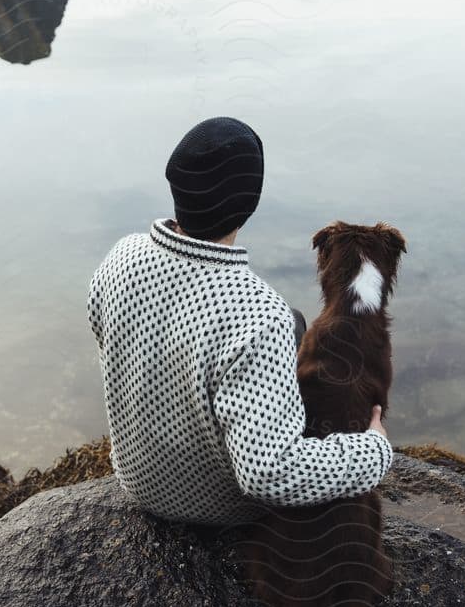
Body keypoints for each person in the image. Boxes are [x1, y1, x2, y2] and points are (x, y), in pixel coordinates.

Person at [86, 116, 392, 525]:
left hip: (137, 479)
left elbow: (105, 333)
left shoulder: (121, 256)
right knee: (292, 326)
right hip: (218, 508)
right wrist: (372, 452)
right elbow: (270, 475)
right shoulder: (258, 313)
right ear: (250, 202)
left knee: (295, 324)